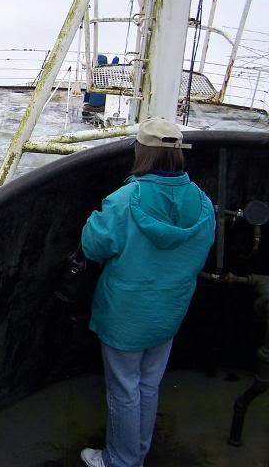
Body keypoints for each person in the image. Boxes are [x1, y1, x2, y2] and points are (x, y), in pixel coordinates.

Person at [79, 117, 216, 467]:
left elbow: (94, 246)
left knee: (124, 390)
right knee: (148, 385)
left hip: (125, 316)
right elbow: (199, 253)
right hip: (169, 313)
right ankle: (137, 452)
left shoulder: (124, 200)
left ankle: (120, 461)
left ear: (142, 152)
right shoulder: (203, 203)